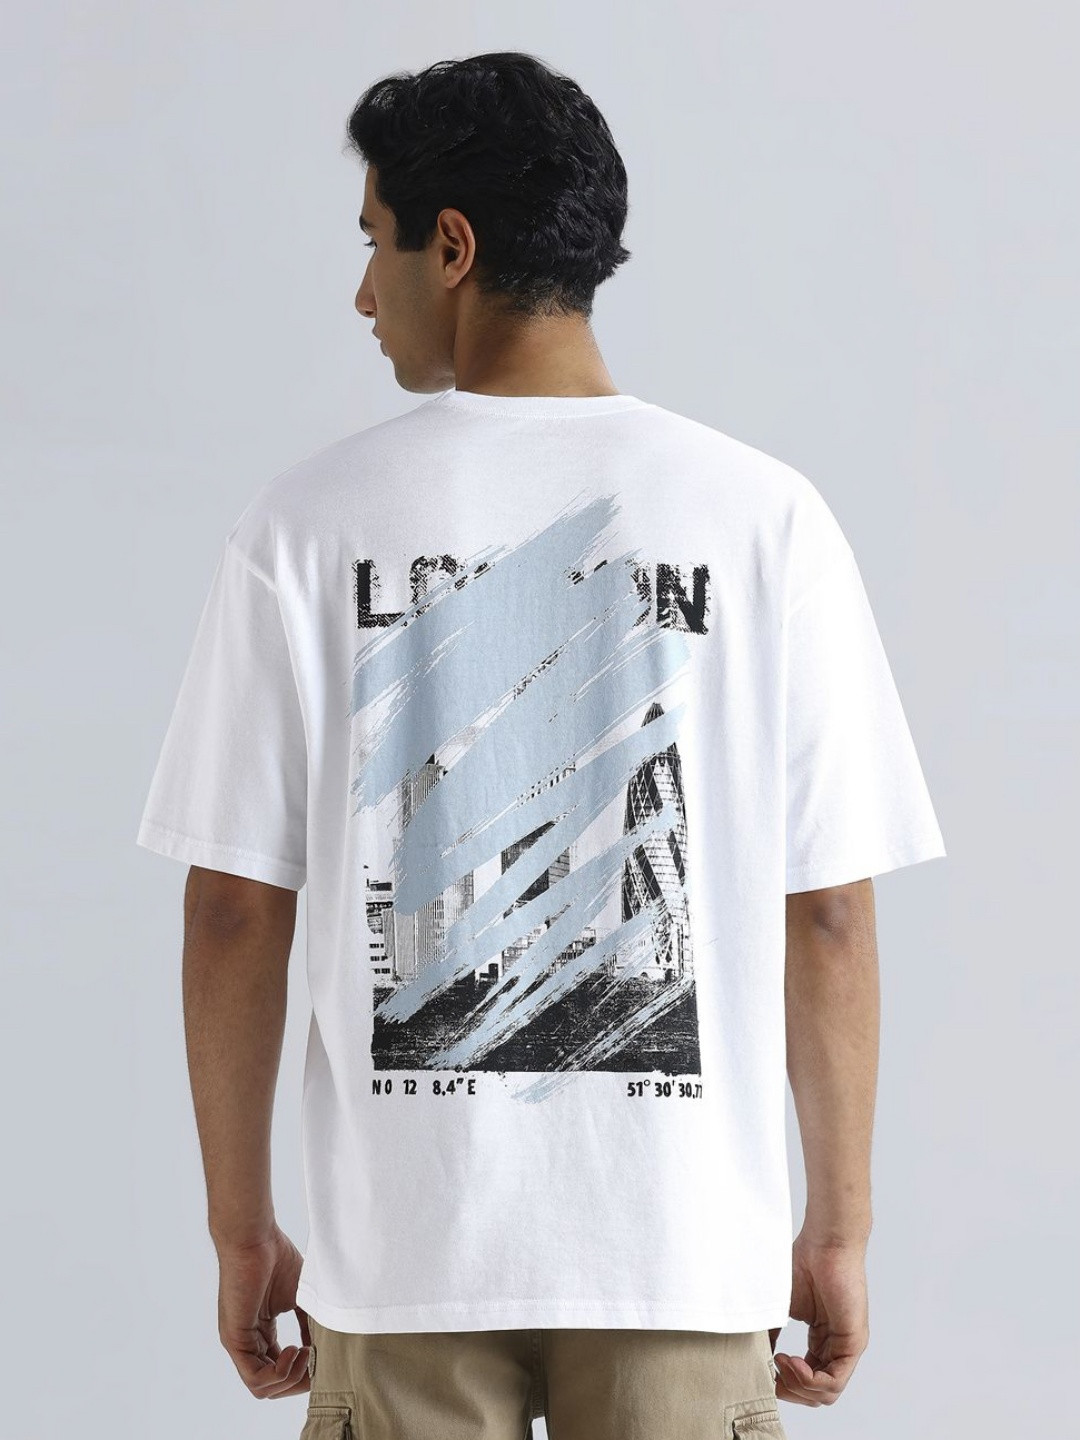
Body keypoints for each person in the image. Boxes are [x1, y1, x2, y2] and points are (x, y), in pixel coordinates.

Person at [135, 51, 947, 1440]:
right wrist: (838, 1232)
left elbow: (232, 910)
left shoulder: (307, 525)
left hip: (405, 1258)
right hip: (679, 1255)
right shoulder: (764, 519)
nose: (363, 293)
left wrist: (241, 1230)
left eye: (374, 243)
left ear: (449, 248)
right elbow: (825, 913)